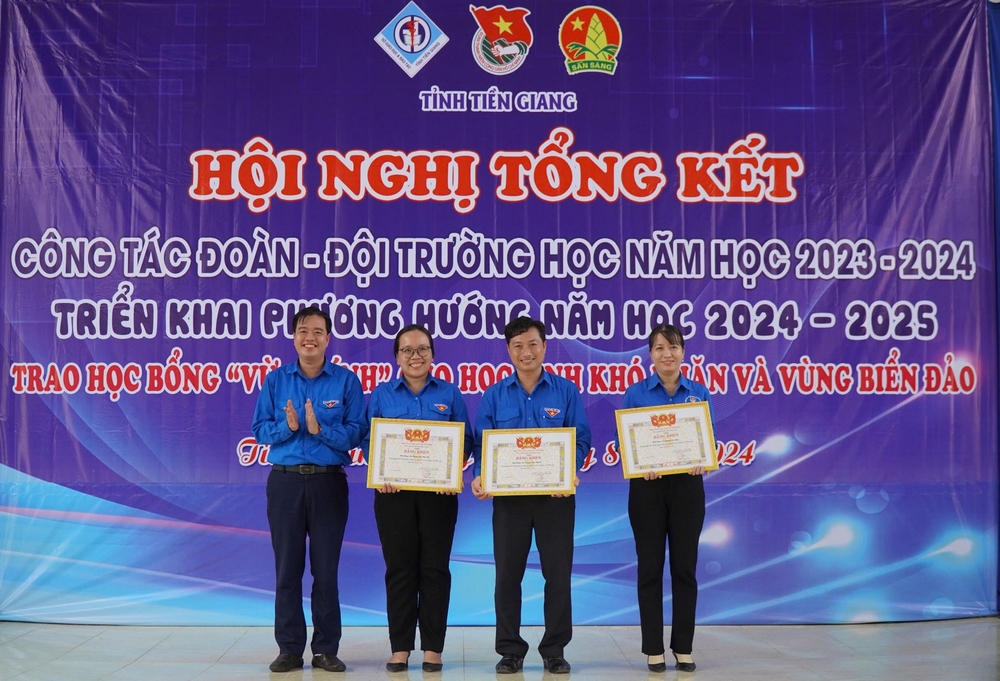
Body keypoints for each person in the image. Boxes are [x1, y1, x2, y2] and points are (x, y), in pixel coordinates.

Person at [471, 317, 591, 675]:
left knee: (558, 575)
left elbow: (580, 439)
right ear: (509, 350)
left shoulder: (565, 391)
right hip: (510, 501)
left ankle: (555, 649)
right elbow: (482, 444)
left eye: (533, 344)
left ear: (544, 347)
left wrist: (570, 469)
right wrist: (481, 475)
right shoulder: (494, 395)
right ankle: (510, 650)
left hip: (555, 498)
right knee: (508, 577)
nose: (527, 352)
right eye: (518, 345)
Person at [251, 306, 366, 674]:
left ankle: (325, 650)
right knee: (287, 570)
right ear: (294, 337)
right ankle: (289, 649)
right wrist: (288, 427)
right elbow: (259, 429)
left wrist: (319, 430)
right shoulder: (276, 380)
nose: (310, 338)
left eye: (318, 331)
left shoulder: (346, 381)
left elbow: (356, 433)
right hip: (285, 482)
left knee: (325, 571)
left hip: (327, 482)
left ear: (328, 339)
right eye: (303, 330)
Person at [363, 324, 474, 673]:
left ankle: (432, 649)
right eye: (407, 350)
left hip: (438, 495)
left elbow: (466, 440)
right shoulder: (382, 395)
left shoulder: (450, 394)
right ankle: (399, 648)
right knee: (399, 570)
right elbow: (368, 440)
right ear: (397, 357)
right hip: (393, 495)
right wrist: (380, 471)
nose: (416, 356)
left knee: (435, 569)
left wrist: (451, 469)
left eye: (423, 349)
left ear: (432, 354)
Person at [619, 324, 714, 673]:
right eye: (659, 348)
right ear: (650, 355)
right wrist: (640, 462)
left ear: (683, 352)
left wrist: (702, 457)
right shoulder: (635, 394)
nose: (667, 354)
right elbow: (624, 443)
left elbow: (708, 439)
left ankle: (683, 647)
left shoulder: (698, 393)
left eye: (673, 347)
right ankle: (653, 648)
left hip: (687, 487)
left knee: (685, 568)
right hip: (647, 489)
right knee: (649, 568)